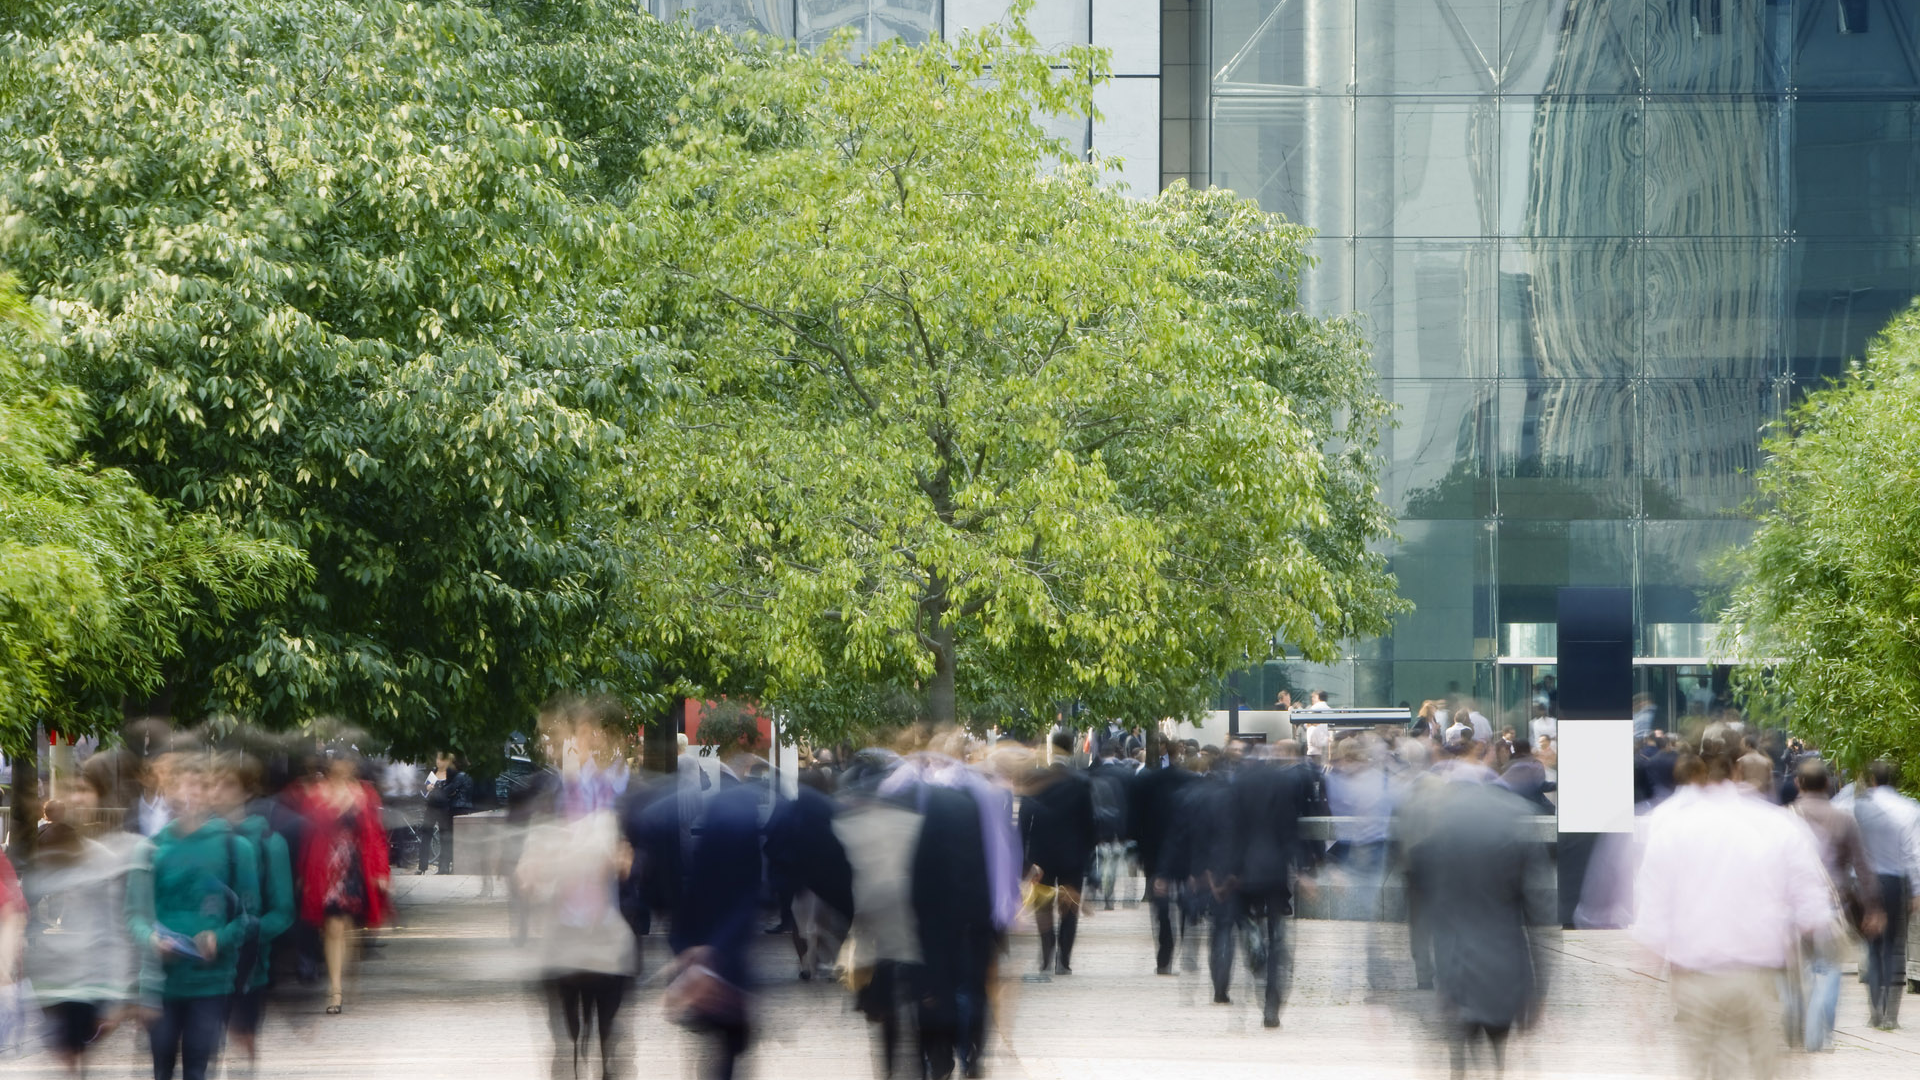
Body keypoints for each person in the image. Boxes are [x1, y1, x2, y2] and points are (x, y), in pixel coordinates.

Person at [1631, 727, 1834, 1077]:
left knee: (1703, 1069)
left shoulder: (1670, 828)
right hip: (1758, 981)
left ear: (1694, 769)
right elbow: (1814, 912)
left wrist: (1639, 1004)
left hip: (1694, 982)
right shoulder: (1777, 826)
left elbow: (1652, 923)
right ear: (1738, 769)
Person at [1406, 775, 1552, 1078]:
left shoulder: (1430, 849)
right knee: (1498, 1047)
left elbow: (1417, 914)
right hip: (1505, 963)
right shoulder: (1514, 841)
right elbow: (1538, 915)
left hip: (1454, 962)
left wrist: (1419, 969)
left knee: (1459, 1050)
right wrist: (1540, 988)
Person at [125, 751, 260, 1080]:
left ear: (209, 791)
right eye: (179, 785)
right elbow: (134, 915)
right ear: (166, 791)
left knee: (198, 1069)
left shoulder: (235, 848)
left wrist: (220, 937)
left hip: (211, 982)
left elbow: (249, 913)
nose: (188, 794)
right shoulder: (151, 850)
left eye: (198, 785)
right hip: (162, 984)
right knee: (161, 1070)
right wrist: (151, 939)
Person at [22, 774, 137, 1075]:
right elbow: (26, 911)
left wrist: (116, 995)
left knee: (74, 1050)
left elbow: (115, 929)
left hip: (87, 978)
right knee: (67, 1051)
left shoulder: (103, 860)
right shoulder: (44, 853)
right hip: (54, 979)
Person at [1224, 740, 1320, 1028]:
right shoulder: (1282, 784)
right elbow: (1289, 829)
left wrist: (1225, 870)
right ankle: (1271, 1004)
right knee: (1278, 937)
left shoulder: (1237, 785)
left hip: (1243, 872)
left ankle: (1255, 947)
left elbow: (1230, 831)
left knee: (1248, 922)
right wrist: (1301, 870)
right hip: (1275, 870)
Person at [1788, 759, 1881, 1050]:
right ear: (1828, 785)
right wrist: (1873, 907)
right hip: (1833, 906)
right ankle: (1822, 1032)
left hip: (1792, 907)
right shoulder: (1844, 819)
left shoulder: (1785, 818)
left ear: (1798, 784)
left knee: (1797, 970)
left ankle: (1798, 1023)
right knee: (1828, 970)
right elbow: (1863, 867)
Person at [212, 753, 294, 1071]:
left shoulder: (269, 843)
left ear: (247, 791)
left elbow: (283, 911)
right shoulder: (197, 840)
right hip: (200, 968)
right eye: (212, 783)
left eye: (227, 783)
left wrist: (247, 933)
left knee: (239, 1051)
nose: (217, 791)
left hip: (248, 968)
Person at [293, 750, 390, 1015]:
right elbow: (307, 834)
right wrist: (303, 872)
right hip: (325, 867)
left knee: (349, 926)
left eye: (346, 761)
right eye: (337, 760)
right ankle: (335, 989)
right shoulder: (316, 792)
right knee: (333, 926)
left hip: (356, 866)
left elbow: (377, 835)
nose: (342, 765)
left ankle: (347, 974)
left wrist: (382, 871)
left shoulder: (366, 793)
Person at [1019, 734, 1095, 975]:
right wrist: (1087, 855)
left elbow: (1024, 822)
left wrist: (1024, 861)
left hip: (1041, 857)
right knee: (1069, 907)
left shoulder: (1037, 781)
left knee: (1042, 907)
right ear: (1072, 748)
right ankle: (1065, 959)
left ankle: (1046, 952)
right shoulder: (1081, 782)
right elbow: (1090, 824)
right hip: (1073, 857)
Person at [1852, 759, 1920, 1030]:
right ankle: (1891, 1014)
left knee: (1872, 945)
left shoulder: (1859, 807)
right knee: (1894, 946)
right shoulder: (1909, 808)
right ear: (1896, 780)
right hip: (1895, 882)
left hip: (1866, 882)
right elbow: (1913, 854)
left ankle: (1874, 1011)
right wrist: (1916, 890)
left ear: (1872, 779)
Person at [420, 752, 473, 875]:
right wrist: (426, 789)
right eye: (437, 758)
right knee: (426, 834)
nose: (438, 761)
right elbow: (423, 792)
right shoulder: (433, 772)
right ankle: (422, 866)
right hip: (431, 806)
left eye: (441, 759)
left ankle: (443, 867)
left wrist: (439, 790)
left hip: (444, 808)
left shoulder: (452, 774)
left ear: (448, 761)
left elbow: (451, 790)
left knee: (445, 836)